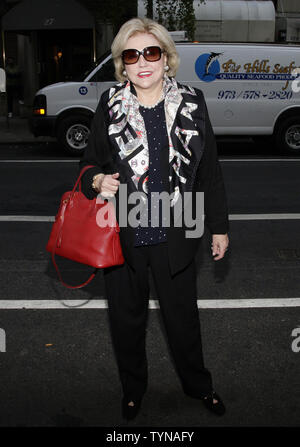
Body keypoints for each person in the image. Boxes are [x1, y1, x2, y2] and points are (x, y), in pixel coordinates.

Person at [79, 17, 229, 421]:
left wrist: (220, 227)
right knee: (127, 323)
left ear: (166, 58)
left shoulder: (193, 102)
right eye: (132, 54)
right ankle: (132, 391)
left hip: (180, 227)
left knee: (184, 322)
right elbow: (87, 164)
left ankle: (200, 385)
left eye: (151, 52)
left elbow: (210, 170)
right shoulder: (110, 104)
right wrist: (97, 179)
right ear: (122, 64)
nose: (142, 61)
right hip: (123, 230)